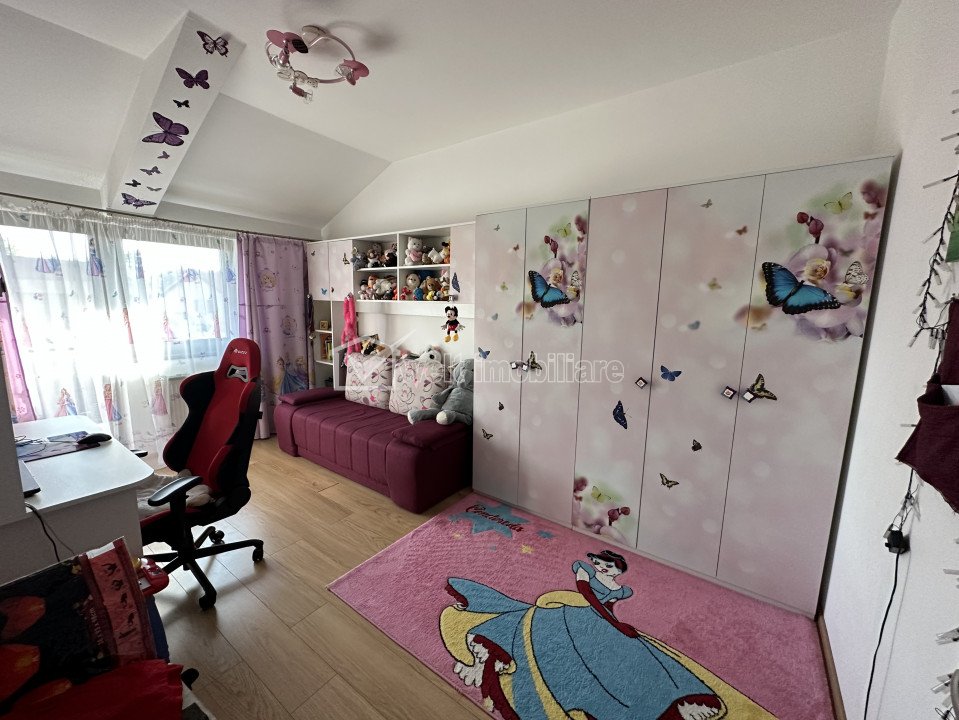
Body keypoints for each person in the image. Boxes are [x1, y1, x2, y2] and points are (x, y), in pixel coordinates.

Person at [440, 550, 772, 720]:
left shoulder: (619, 589)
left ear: (618, 571)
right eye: (601, 563)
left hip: (601, 621)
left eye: (609, 566)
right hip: (579, 614)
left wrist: (614, 622)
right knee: (558, 641)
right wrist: (606, 613)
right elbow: (588, 598)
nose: (602, 567)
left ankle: (672, 701)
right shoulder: (585, 575)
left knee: (639, 657)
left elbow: (606, 606)